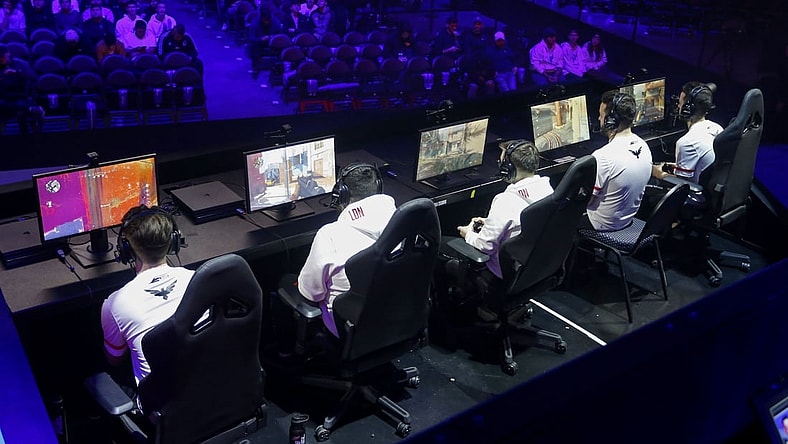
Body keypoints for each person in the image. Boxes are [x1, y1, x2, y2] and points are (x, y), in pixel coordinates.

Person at [292, 163, 395, 337]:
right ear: (378, 188)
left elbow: (311, 294)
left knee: (285, 284)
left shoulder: (330, 235)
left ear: (342, 194)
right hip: (396, 318)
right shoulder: (403, 222)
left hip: (349, 330)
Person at [101, 205, 193, 386]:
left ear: (126, 250)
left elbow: (115, 360)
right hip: (212, 388)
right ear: (174, 241)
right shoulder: (198, 280)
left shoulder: (114, 304)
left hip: (163, 408)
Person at [454, 140, 554, 280]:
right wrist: (490, 223)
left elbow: (485, 246)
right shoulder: (547, 189)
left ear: (508, 168)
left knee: (444, 248)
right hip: (535, 268)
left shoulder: (505, 200)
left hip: (505, 273)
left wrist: (468, 233)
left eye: (501, 163)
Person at [582, 91, 652, 231]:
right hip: (628, 220)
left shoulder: (603, 156)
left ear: (610, 121)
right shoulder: (644, 146)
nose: (599, 118)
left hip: (601, 224)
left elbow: (587, 201)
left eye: (601, 115)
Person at [652, 82, 721, 184]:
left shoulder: (687, 142)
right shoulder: (718, 128)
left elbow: (681, 185)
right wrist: (677, 167)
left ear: (687, 109)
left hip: (694, 196)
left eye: (680, 103)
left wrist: (656, 172)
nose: (678, 106)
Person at [0, 44, 36, 133]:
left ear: (8, 54)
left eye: (3, 57)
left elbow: (33, 77)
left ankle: (25, 134)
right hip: (2, 97)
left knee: (21, 106)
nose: (1, 60)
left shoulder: (20, 64)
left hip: (19, 96)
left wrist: (17, 73)